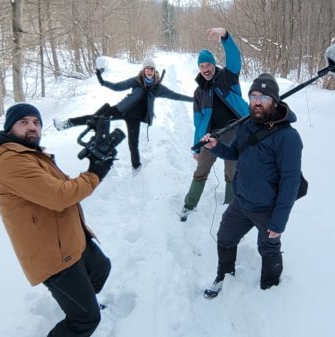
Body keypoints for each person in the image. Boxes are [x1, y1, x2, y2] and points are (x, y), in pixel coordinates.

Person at [0, 103, 114, 337]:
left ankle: (82, 302)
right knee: (86, 320)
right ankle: (82, 311)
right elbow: (60, 196)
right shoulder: (11, 162)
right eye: (23, 122)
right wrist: (96, 172)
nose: (32, 127)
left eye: (36, 122)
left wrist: (94, 166)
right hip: (52, 255)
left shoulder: (30, 154)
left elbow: (61, 187)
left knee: (100, 269)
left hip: (68, 237)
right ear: (9, 128)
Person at [199, 73, 303, 298]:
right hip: (241, 201)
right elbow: (235, 152)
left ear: (274, 101)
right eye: (253, 96)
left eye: (264, 97)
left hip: (267, 208)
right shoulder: (246, 125)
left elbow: (291, 181)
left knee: (268, 247)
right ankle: (223, 276)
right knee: (225, 237)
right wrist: (215, 146)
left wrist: (279, 220)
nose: (257, 101)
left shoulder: (288, 137)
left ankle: (270, 289)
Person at [54, 57, 193, 174]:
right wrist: (103, 82)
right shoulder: (136, 81)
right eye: (147, 68)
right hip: (121, 110)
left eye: (152, 69)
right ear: (143, 70)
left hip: (135, 119)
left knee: (133, 143)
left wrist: (194, 99)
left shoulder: (157, 88)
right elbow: (118, 87)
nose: (149, 71)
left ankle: (136, 167)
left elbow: (175, 96)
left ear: (154, 71)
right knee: (94, 118)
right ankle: (66, 124)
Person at [178, 27, 249, 222]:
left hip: (234, 131)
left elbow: (235, 58)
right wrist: (197, 146)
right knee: (201, 171)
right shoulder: (199, 92)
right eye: (202, 66)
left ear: (213, 64)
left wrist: (225, 36)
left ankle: (231, 207)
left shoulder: (228, 77)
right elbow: (198, 122)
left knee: (232, 172)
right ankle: (189, 205)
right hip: (211, 137)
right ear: (199, 68)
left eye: (208, 65)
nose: (206, 69)